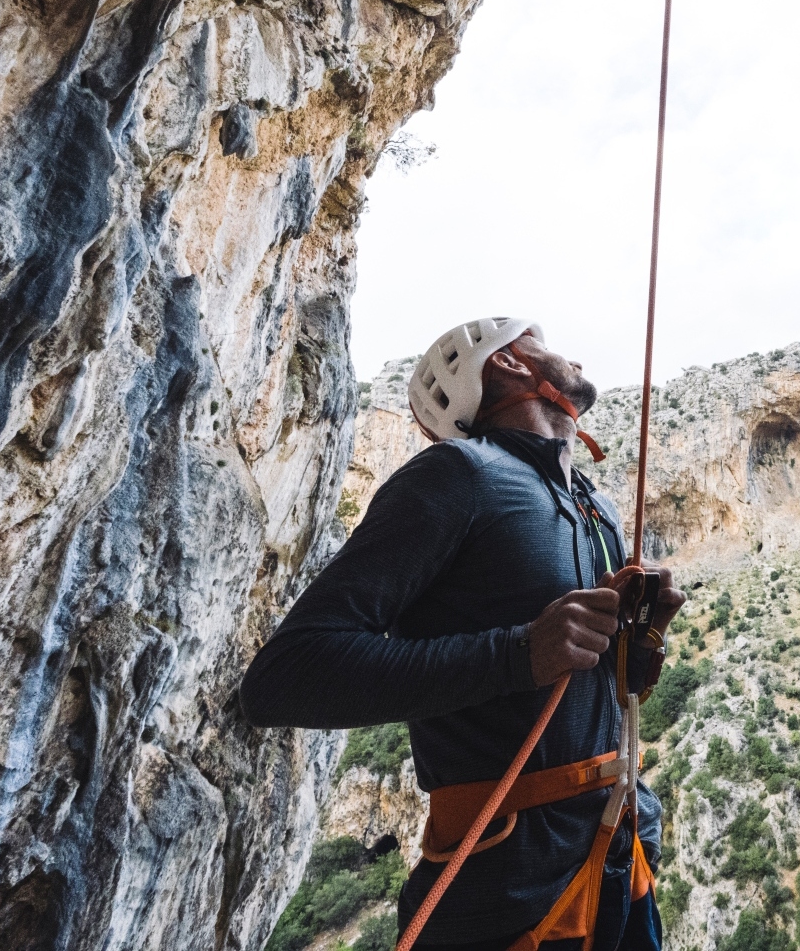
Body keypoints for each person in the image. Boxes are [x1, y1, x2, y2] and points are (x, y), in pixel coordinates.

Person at [241, 317, 684, 951]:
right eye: (541, 341)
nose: (571, 354)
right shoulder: (456, 477)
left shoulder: (595, 506)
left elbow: (590, 685)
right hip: (505, 895)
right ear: (505, 364)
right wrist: (519, 653)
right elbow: (285, 677)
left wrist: (640, 645)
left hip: (616, 860)